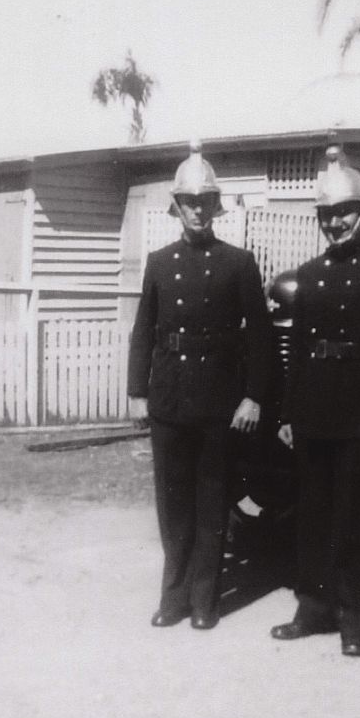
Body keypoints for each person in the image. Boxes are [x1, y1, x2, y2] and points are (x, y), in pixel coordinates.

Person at [271, 145, 360, 657]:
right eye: (327, 216)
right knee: (311, 519)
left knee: (355, 521)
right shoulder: (309, 275)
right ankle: (313, 610)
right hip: (313, 414)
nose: (335, 224)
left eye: (343, 214)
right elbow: (299, 350)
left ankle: (358, 621)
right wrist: (289, 413)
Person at [127, 140, 272, 630]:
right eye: (189, 202)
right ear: (177, 207)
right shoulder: (159, 262)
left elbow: (261, 339)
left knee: (212, 503)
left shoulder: (239, 263)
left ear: (216, 207)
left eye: (205, 202)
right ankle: (174, 597)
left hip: (219, 403)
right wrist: (138, 391)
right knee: (173, 505)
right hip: (169, 399)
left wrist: (253, 395)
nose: (197, 210)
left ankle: (206, 601)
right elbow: (143, 329)